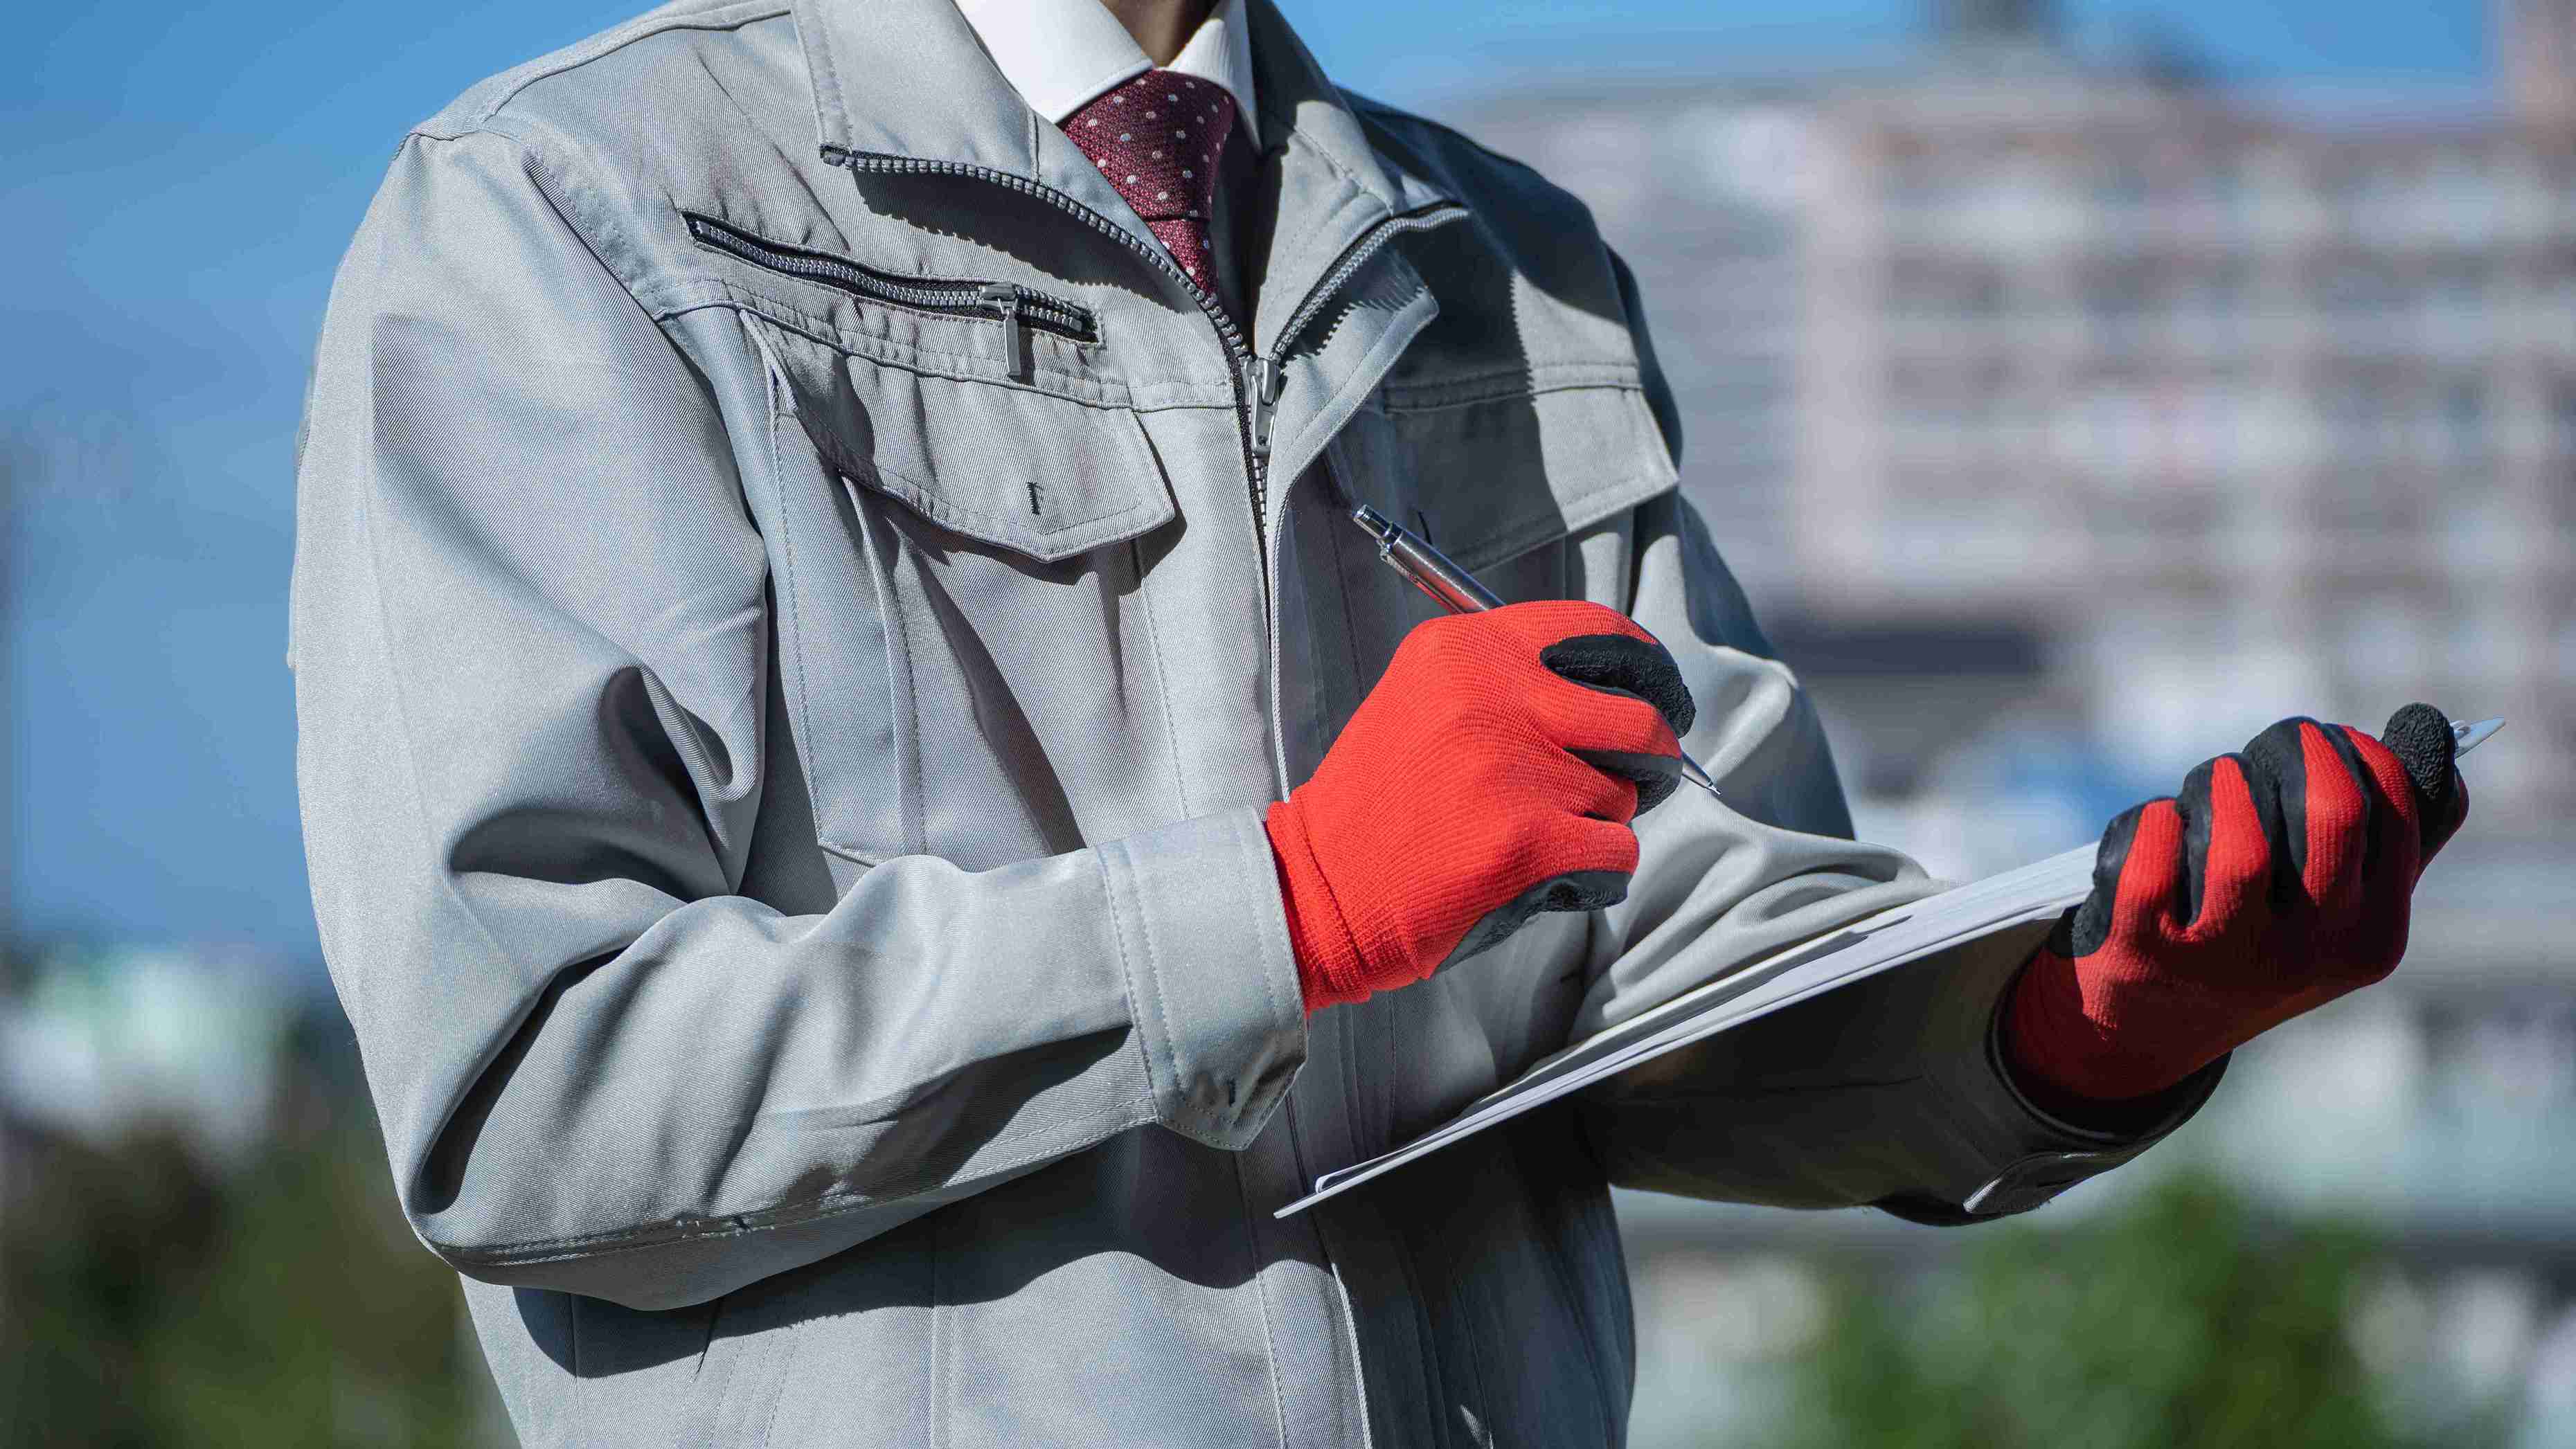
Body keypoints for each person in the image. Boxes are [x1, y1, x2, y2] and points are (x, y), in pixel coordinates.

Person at [288, 0, 2471, 1442]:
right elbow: (535, 1095)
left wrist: (2076, 1020)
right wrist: (1296, 904)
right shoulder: (564, 215)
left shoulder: (1509, 264)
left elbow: (1685, 971)